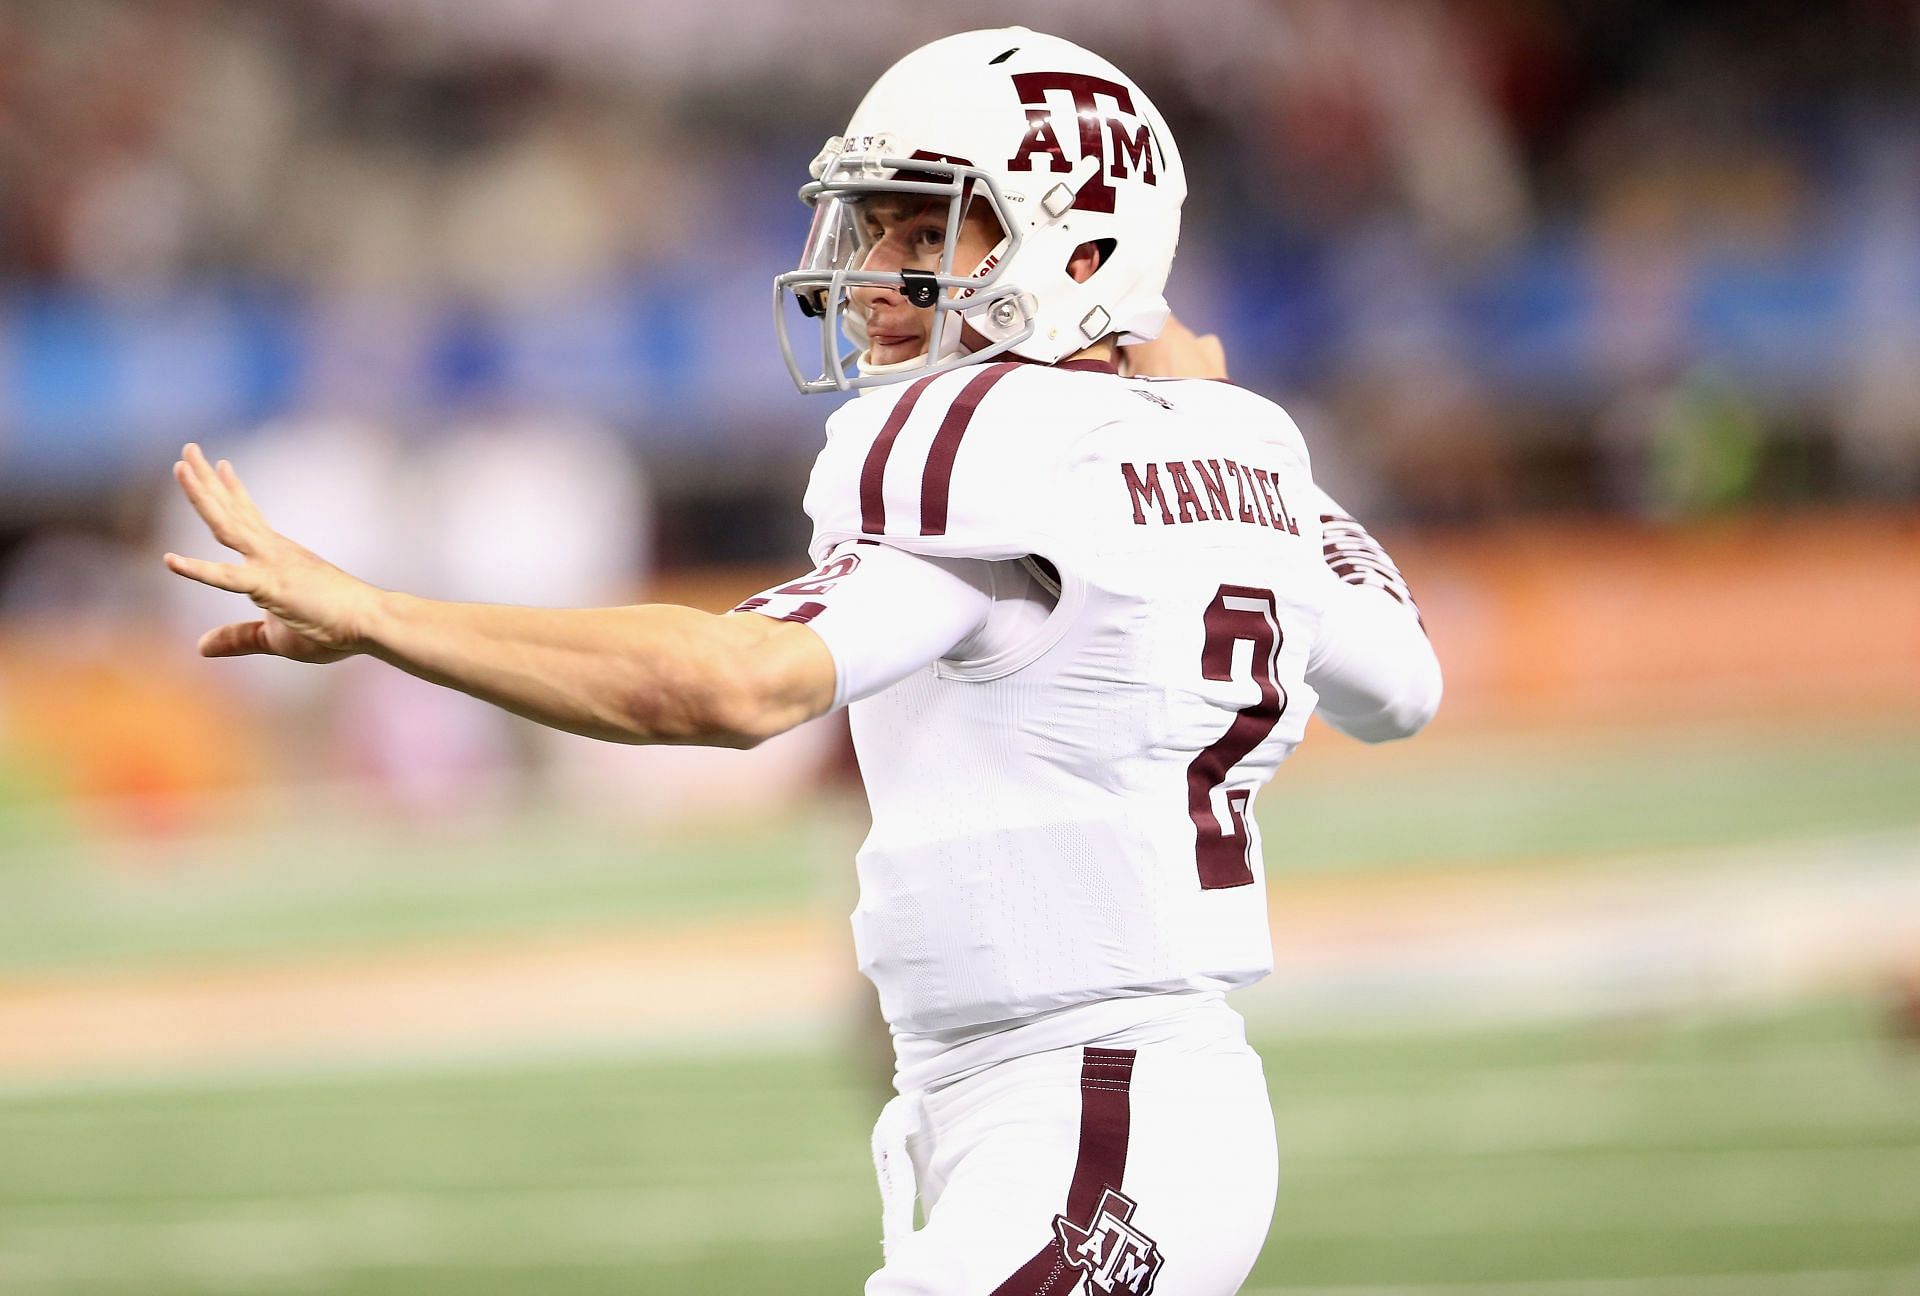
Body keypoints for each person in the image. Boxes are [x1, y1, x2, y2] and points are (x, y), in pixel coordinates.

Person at [165, 27, 1440, 1296]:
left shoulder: (992, 448)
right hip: (1092, 1103)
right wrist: (1255, 455)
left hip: (1097, 1112)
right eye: (873, 228)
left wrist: (379, 616)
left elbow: (724, 684)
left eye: (926, 235)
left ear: (1082, 251)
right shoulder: (1243, 455)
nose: (872, 275)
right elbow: (1401, 688)